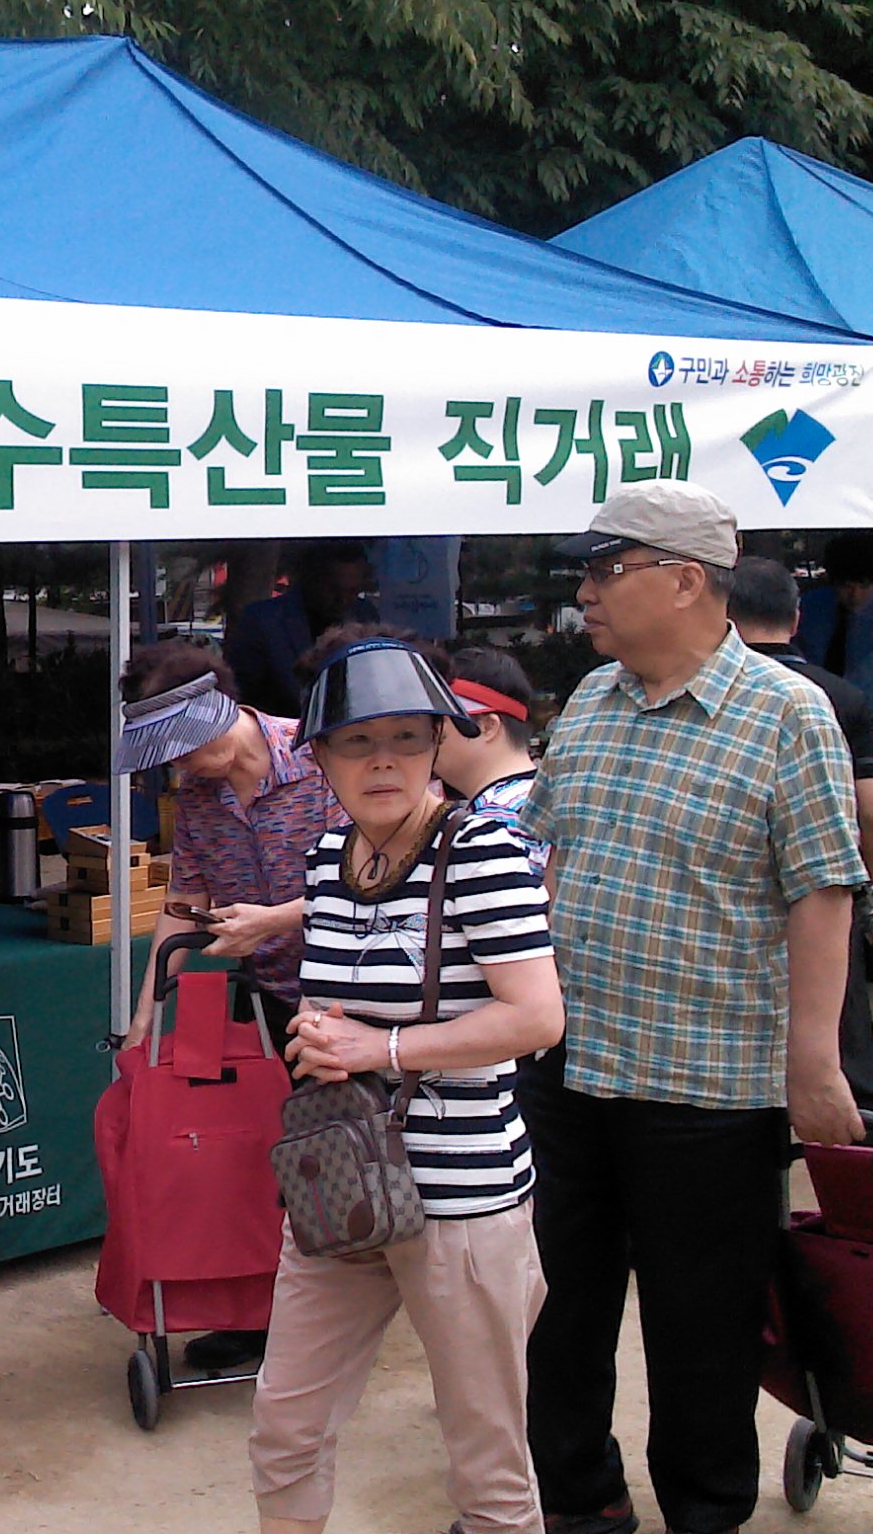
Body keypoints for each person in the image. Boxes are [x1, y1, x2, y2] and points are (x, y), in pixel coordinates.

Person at [518, 481, 864, 1534]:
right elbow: (547, 854)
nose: (584, 594)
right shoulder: (591, 698)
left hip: (705, 1085)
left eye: (603, 570)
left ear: (683, 581)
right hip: (569, 1065)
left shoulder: (787, 715)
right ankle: (579, 1502)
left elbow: (822, 891)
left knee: (701, 1328)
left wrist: (813, 1062)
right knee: (557, 1309)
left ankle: (705, 1514)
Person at [248, 636, 565, 1534]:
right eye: (357, 742)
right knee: (285, 1427)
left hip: (463, 1190)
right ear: (320, 757)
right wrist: (319, 1034)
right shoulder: (326, 861)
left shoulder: (481, 852)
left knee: (487, 1457)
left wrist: (379, 1048)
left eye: (405, 738)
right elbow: (332, 1002)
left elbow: (537, 1018)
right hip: (343, 1180)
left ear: (437, 747)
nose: (382, 761)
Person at [117, 639, 346, 1374]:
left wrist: (273, 919)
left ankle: (333, 1322)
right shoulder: (198, 797)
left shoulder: (324, 757)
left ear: (221, 708)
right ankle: (262, 1318)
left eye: (185, 747)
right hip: (270, 995)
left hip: (354, 997)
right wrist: (146, 1011)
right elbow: (184, 903)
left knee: (338, 1160)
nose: (181, 766)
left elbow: (383, 876)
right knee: (269, 1161)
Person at [729, 557, 873, 1116]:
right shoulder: (841, 696)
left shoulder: (713, 695)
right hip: (824, 896)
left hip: (730, 905)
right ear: (796, 618)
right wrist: (869, 871)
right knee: (843, 1040)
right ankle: (862, 1162)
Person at [224, 542, 378, 717]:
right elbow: (242, 693)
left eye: (352, 591)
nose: (342, 599)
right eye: (333, 589)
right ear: (311, 580)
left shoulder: (365, 614)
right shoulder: (263, 620)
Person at [433, 645, 546, 874]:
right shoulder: (541, 800)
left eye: (438, 724)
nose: (426, 736)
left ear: (487, 726)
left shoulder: (495, 823)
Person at [795, 528, 873, 733]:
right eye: (845, 586)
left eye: (863, 586)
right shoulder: (810, 609)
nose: (854, 595)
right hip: (816, 718)